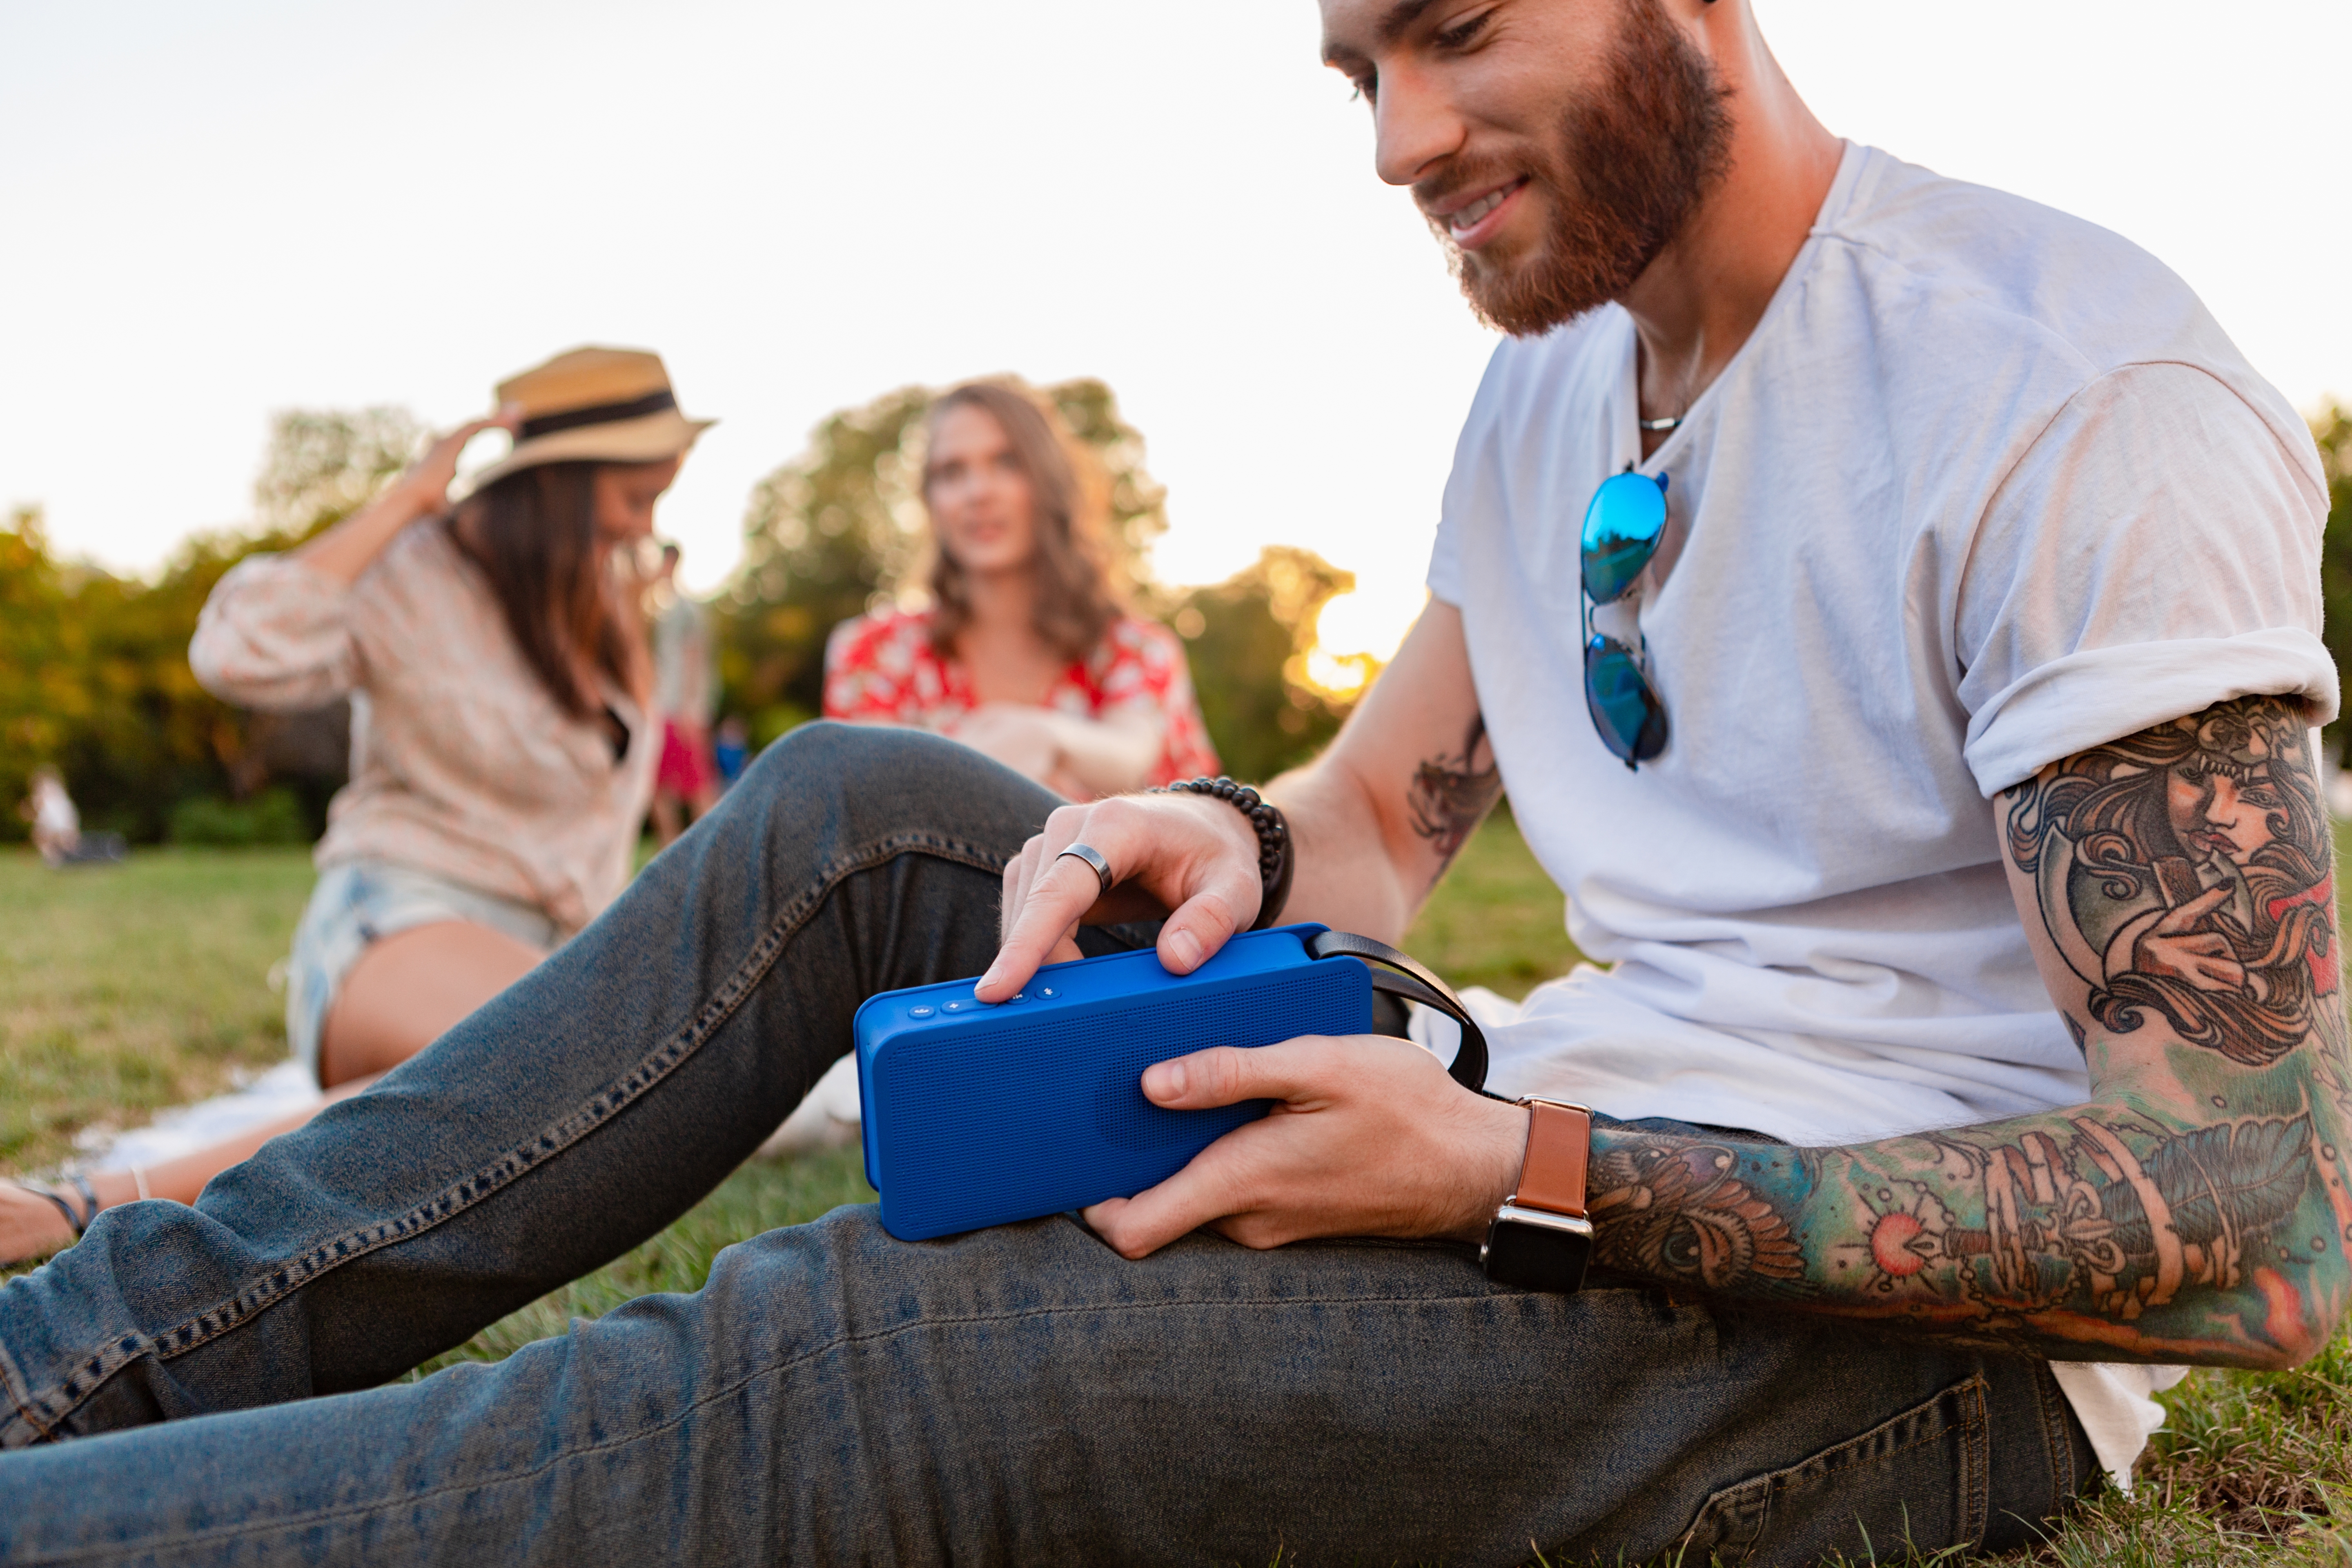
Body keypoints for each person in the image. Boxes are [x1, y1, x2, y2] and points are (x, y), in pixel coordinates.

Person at [0, 3, 2345, 1561]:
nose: (1399, 138)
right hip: (1535, 1107)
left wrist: (1514, 1171)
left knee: (876, 1349)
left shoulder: (2068, 389)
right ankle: (58, 1360)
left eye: (1452, 29)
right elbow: (1371, 817)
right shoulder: (1551, 385)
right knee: (851, 806)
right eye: (1353, 70)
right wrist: (1212, 831)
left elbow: (2254, 1217)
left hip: (1883, 1344)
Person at [0, 346, 707, 1263]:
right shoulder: (414, 571)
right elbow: (236, 651)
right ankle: (75, 1205)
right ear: (556, 484)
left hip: (536, 954)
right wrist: (408, 498)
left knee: (633, 1080)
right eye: (633, 497)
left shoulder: (602, 601)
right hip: (396, 922)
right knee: (580, 1053)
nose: (643, 526)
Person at [822, 379, 1220, 800]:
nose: (978, 493)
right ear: (930, 501)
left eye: (1007, 462)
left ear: (1050, 482)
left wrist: (1046, 739)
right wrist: (1014, 784)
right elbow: (870, 804)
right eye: (951, 472)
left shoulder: (1136, 649)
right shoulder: (875, 652)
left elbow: (1132, 752)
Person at [648, 541, 723, 844]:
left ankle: (717, 849)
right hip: (663, 707)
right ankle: (671, 852)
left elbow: (694, 660)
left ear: (671, 563)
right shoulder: (660, 609)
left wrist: (690, 709)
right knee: (657, 786)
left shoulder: (685, 610)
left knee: (698, 785)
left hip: (680, 711)